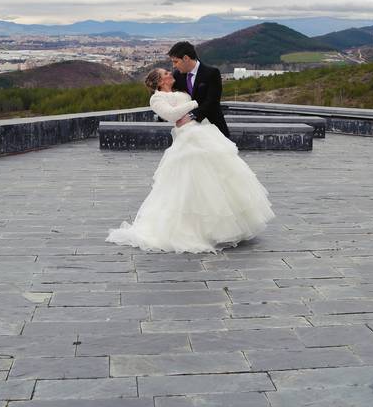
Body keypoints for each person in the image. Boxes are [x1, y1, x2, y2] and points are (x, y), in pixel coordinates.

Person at [105, 68, 274, 253]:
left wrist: (193, 108)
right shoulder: (156, 98)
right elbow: (171, 115)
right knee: (190, 179)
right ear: (160, 81)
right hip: (187, 138)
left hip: (204, 131)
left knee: (218, 176)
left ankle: (225, 225)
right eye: (166, 73)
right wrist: (194, 103)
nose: (170, 73)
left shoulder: (179, 89)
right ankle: (194, 228)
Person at [168, 41, 230, 138]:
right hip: (188, 131)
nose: (174, 66)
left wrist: (191, 116)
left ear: (186, 58)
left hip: (213, 127)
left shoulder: (212, 73)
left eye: (176, 61)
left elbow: (212, 101)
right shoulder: (177, 75)